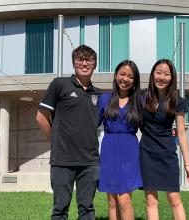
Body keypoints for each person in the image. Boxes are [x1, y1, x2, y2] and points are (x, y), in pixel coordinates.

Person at [36, 45, 101, 220]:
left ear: (95, 64)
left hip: (90, 162)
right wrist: (55, 141)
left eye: (89, 59)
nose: (85, 63)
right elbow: (41, 116)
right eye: (80, 59)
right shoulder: (59, 84)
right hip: (62, 161)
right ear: (74, 63)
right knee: (60, 209)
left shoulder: (98, 94)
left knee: (87, 209)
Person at [140, 59, 189, 220]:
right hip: (147, 152)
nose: (161, 77)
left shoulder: (177, 100)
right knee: (150, 199)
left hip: (167, 152)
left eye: (166, 74)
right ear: (152, 75)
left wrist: (187, 163)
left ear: (171, 77)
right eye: (158, 73)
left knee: (174, 197)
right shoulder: (141, 97)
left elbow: (181, 133)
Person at [97, 60, 143, 220]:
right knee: (111, 201)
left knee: (124, 199)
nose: (125, 79)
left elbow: (149, 127)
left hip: (129, 151)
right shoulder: (105, 99)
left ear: (135, 80)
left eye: (130, 76)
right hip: (109, 150)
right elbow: (91, 125)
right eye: (122, 74)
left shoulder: (139, 101)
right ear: (116, 76)